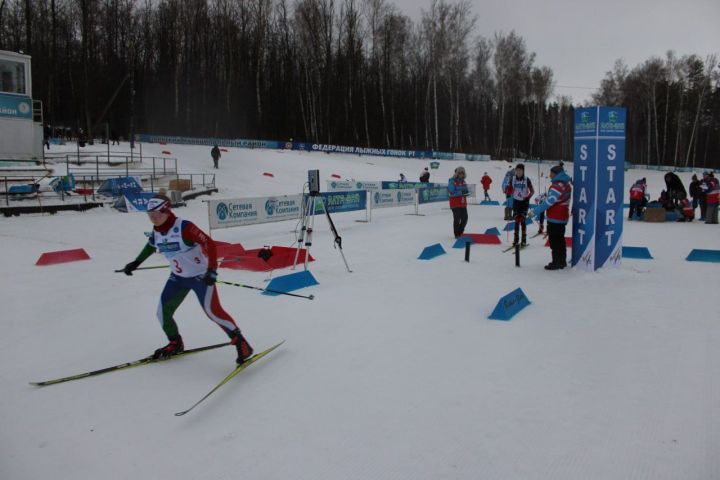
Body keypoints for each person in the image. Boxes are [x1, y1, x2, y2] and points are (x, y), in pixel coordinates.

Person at [121, 194, 253, 364]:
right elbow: (151, 245)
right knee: (162, 312)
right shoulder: (157, 231)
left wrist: (212, 270)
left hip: (200, 276)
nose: (153, 218)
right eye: (150, 215)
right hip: (178, 278)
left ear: (167, 211)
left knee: (212, 312)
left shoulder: (184, 227)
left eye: (156, 214)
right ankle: (175, 342)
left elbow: (209, 244)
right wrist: (136, 262)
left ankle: (242, 343)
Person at [530, 165, 572, 270]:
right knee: (560, 240)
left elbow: (549, 202)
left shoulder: (556, 186)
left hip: (555, 217)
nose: (549, 175)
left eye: (551, 173)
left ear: (556, 174)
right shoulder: (566, 184)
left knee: (554, 241)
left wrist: (535, 211)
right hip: (562, 216)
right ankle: (561, 261)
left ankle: (557, 262)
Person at [509, 163, 535, 246]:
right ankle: (516, 240)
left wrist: (527, 197)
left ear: (523, 171)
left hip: (524, 202)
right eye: (517, 170)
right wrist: (508, 191)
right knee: (516, 221)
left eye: (520, 170)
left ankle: (524, 240)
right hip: (516, 202)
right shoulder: (512, 179)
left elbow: (532, 191)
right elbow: (509, 189)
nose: (518, 172)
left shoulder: (527, 179)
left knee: (523, 221)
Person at [447, 166, 469, 238]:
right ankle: (457, 234)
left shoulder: (463, 181)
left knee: (465, 218)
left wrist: (466, 192)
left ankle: (460, 232)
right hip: (455, 203)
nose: (461, 174)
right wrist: (460, 192)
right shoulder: (452, 181)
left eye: (463, 173)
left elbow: (465, 190)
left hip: (463, 203)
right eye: (460, 173)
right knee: (457, 218)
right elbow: (450, 192)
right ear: (457, 173)